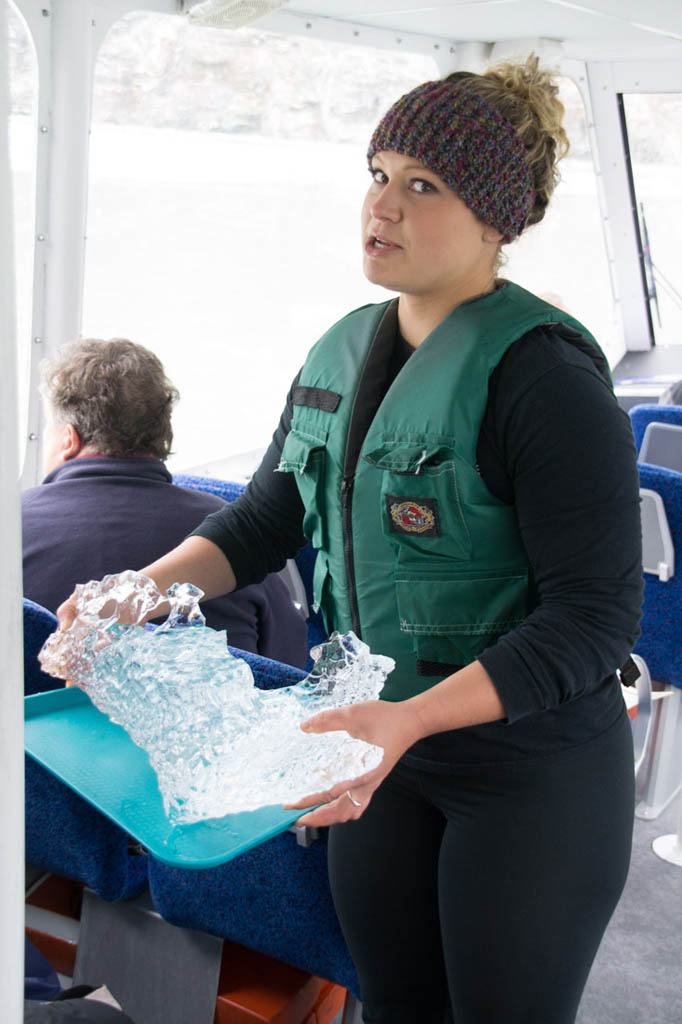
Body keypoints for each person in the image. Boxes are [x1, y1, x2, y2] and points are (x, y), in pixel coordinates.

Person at [59, 58, 642, 1024]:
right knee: (393, 1005)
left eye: (425, 186)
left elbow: (594, 621)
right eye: (379, 173)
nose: (385, 205)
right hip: (376, 751)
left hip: (528, 774)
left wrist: (409, 722)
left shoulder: (547, 380)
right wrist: (142, 588)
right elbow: (265, 520)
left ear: (497, 220)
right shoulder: (342, 349)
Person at [25, 338, 307, 668]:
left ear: (69, 439)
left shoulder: (11, 526)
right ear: (161, 434)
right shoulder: (236, 538)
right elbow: (290, 668)